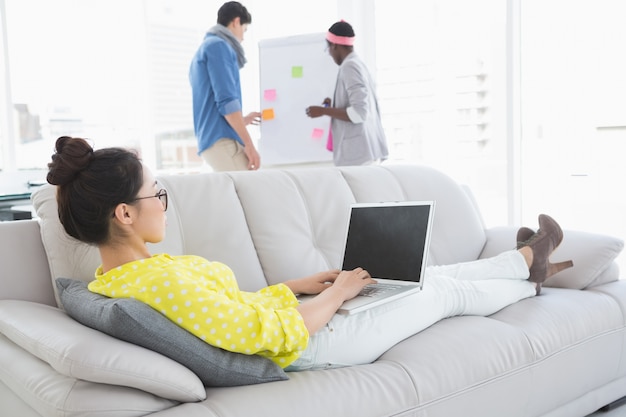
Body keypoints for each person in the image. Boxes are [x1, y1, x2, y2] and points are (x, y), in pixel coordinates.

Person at [46, 136, 573, 371]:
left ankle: (529, 262)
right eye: (155, 194)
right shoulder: (155, 282)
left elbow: (230, 313)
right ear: (124, 214)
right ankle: (528, 264)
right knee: (433, 288)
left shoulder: (117, 281)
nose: (164, 203)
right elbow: (267, 335)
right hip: (315, 344)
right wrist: (341, 291)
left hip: (306, 318)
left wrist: (295, 286)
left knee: (417, 277)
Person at [189, 1, 261, 172]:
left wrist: (243, 121)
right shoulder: (219, 46)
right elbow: (227, 102)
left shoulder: (203, 49)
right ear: (236, 22)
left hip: (212, 140)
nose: (243, 37)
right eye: (244, 30)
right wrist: (249, 145)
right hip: (221, 141)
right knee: (250, 192)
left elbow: (213, 107)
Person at [306, 20, 388, 167]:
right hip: (364, 154)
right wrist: (333, 105)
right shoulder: (358, 63)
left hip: (359, 157)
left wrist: (323, 111)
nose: (330, 54)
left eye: (329, 48)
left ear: (335, 45)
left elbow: (359, 112)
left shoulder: (350, 66)